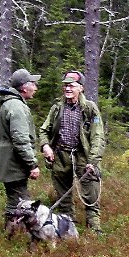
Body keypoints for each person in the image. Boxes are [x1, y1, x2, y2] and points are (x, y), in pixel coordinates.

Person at [40, 70, 106, 233]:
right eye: (65, 85)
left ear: (81, 88)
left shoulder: (90, 109)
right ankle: (67, 229)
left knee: (91, 194)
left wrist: (93, 161)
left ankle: (95, 229)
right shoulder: (57, 108)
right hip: (60, 156)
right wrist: (45, 146)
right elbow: (43, 131)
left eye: (71, 85)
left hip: (83, 157)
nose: (67, 88)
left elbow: (98, 136)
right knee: (63, 198)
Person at [0, 68, 41, 232]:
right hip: (14, 162)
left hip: (9, 160)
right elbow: (20, 139)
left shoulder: (8, 103)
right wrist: (32, 164)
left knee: (14, 198)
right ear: (24, 87)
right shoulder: (16, 106)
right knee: (20, 201)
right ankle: (12, 235)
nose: (36, 88)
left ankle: (9, 233)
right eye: (33, 84)